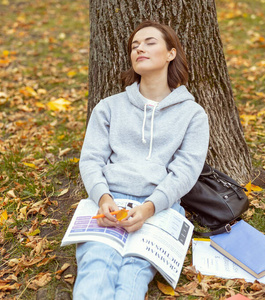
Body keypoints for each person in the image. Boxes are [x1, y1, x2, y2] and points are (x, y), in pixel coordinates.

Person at [73, 20, 210, 299]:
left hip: (159, 208)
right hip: (109, 202)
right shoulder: (109, 107)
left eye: (150, 42)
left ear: (171, 53)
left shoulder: (193, 114)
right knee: (97, 265)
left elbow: (185, 172)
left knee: (133, 274)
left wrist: (149, 208)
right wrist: (103, 198)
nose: (139, 49)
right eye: (135, 46)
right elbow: (91, 160)